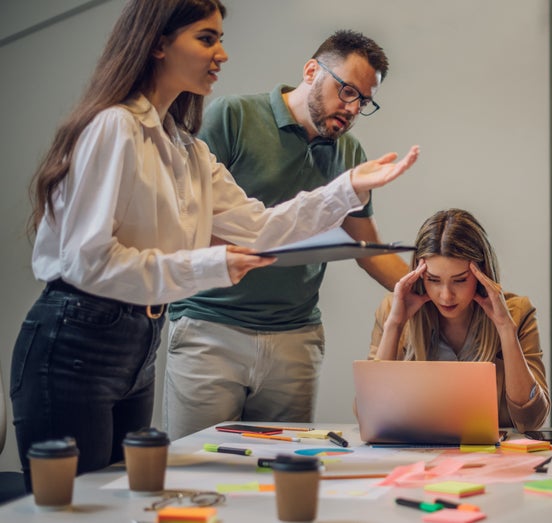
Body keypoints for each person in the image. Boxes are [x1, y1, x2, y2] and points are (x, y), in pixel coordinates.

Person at [10, 0, 418, 490]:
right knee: (79, 505)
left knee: (123, 500)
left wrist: (348, 186)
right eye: (207, 39)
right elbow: (88, 262)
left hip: (137, 340)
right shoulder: (114, 126)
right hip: (76, 336)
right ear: (158, 43)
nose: (222, 53)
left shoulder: (186, 148)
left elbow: (260, 228)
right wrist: (213, 265)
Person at [164, 30, 409, 440]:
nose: (351, 109)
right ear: (312, 71)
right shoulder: (232, 118)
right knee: (196, 471)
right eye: (346, 91)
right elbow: (187, 221)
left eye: (363, 101)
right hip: (211, 326)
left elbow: (367, 247)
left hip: (295, 337)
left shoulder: (349, 153)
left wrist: (424, 288)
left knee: (283, 476)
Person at [369, 209, 549, 432]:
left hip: (492, 457)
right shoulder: (393, 311)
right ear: (418, 274)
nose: (446, 296)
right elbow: (371, 417)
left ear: (482, 273)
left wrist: (505, 329)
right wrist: (394, 325)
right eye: (433, 280)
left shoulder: (518, 313)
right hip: (415, 454)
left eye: (460, 280)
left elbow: (531, 420)